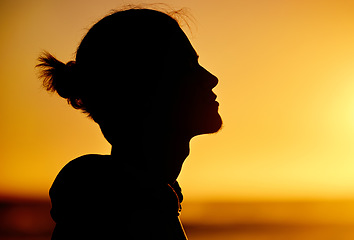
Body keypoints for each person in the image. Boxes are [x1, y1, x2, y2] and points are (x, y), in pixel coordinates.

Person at [37, 7, 222, 240]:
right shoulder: (125, 220)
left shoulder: (144, 201)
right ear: (141, 90)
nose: (210, 78)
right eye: (185, 67)